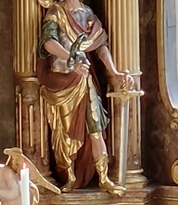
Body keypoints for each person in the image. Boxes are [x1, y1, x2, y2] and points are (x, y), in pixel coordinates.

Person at [37, 0, 133, 194]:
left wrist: (114, 72)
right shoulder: (56, 12)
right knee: (65, 132)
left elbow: (100, 45)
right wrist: (71, 59)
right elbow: (48, 42)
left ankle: (104, 177)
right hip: (62, 80)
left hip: (84, 79)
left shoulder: (87, 12)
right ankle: (70, 175)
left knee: (95, 126)